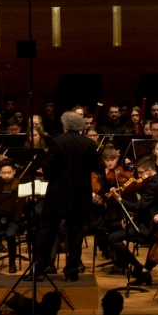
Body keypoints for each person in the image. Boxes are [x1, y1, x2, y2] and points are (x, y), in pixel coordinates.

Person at [34, 111, 99, 281]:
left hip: (58, 194)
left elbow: (48, 167)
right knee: (75, 234)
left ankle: (40, 269)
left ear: (64, 125)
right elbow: (95, 166)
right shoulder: (89, 144)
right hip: (80, 195)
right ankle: (71, 272)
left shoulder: (57, 141)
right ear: (80, 126)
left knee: (48, 231)